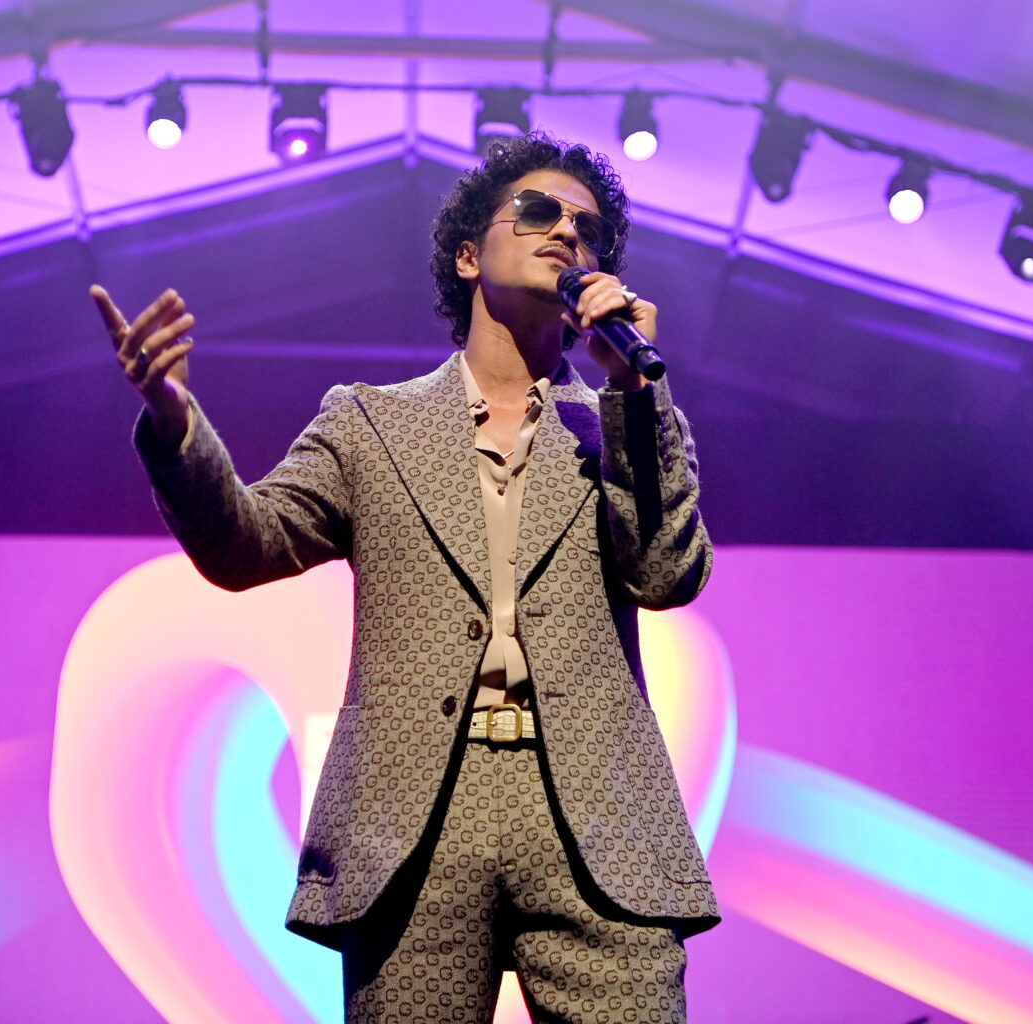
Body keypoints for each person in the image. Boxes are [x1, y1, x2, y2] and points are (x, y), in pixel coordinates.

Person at [91, 131, 717, 1023]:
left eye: (589, 230)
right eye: (539, 212)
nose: (567, 235)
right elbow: (244, 545)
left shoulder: (622, 418)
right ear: (469, 255)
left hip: (600, 829)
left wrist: (632, 397)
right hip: (415, 824)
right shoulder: (368, 424)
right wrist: (174, 421)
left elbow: (666, 575)